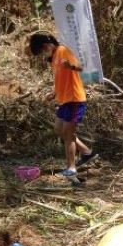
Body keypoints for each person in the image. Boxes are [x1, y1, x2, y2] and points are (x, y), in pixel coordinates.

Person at [29, 32, 98, 178]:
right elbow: (62, 78)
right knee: (59, 129)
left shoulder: (63, 51)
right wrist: (54, 93)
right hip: (64, 100)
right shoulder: (54, 58)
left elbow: (80, 67)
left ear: (46, 45)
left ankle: (71, 168)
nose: (42, 55)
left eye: (41, 51)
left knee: (68, 134)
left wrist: (70, 66)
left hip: (74, 98)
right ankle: (86, 152)